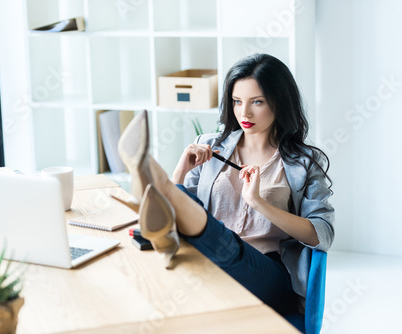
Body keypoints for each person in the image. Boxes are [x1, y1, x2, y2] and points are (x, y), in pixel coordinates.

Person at [115, 54, 334, 318]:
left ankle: (157, 184)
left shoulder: (304, 162)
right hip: (208, 260)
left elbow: (322, 234)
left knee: (231, 251)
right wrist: (181, 171)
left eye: (258, 102)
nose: (245, 113)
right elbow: (181, 216)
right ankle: (166, 185)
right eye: (237, 102)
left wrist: (258, 203)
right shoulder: (210, 146)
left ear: (280, 102)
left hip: (267, 273)